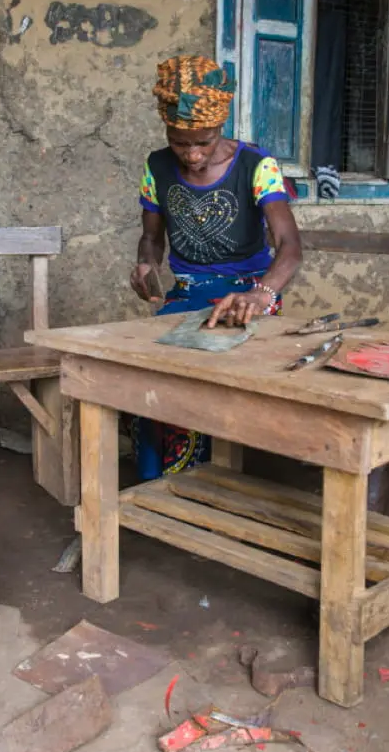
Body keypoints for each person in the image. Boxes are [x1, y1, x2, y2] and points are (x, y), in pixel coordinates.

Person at [128, 55, 304, 479]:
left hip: (246, 294)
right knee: (145, 372)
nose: (191, 154)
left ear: (219, 127)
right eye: (179, 141)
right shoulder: (156, 167)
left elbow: (290, 245)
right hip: (187, 294)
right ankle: (156, 487)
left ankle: (203, 481)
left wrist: (262, 294)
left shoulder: (256, 166)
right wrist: (145, 266)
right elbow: (152, 238)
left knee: (202, 370)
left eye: (203, 142)